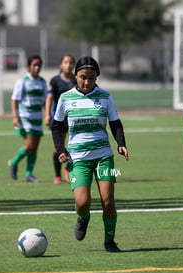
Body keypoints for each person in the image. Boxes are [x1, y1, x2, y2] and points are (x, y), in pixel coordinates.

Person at [51, 56, 129, 252]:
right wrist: (61, 150)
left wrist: (121, 143)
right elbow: (56, 126)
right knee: (82, 202)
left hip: (104, 156)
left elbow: (115, 123)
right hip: (78, 160)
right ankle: (83, 217)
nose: (87, 82)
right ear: (75, 76)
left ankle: (109, 241)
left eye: (91, 78)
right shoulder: (66, 98)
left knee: (108, 202)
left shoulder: (105, 96)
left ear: (97, 78)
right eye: (83, 77)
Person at [8, 55, 47, 183]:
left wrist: (47, 114)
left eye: (39, 65)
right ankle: (14, 162)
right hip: (25, 118)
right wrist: (15, 116)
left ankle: (29, 174)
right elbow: (14, 100)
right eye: (34, 65)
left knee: (34, 148)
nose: (37, 67)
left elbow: (45, 101)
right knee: (29, 145)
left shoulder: (42, 82)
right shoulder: (23, 81)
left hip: (37, 118)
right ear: (29, 66)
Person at [45, 55, 76, 184]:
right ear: (61, 65)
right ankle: (57, 175)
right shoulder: (55, 80)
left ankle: (68, 169)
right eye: (65, 62)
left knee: (74, 145)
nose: (68, 65)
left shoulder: (76, 80)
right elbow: (49, 98)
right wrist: (47, 114)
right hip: (60, 118)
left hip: (74, 117)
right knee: (58, 147)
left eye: (71, 63)